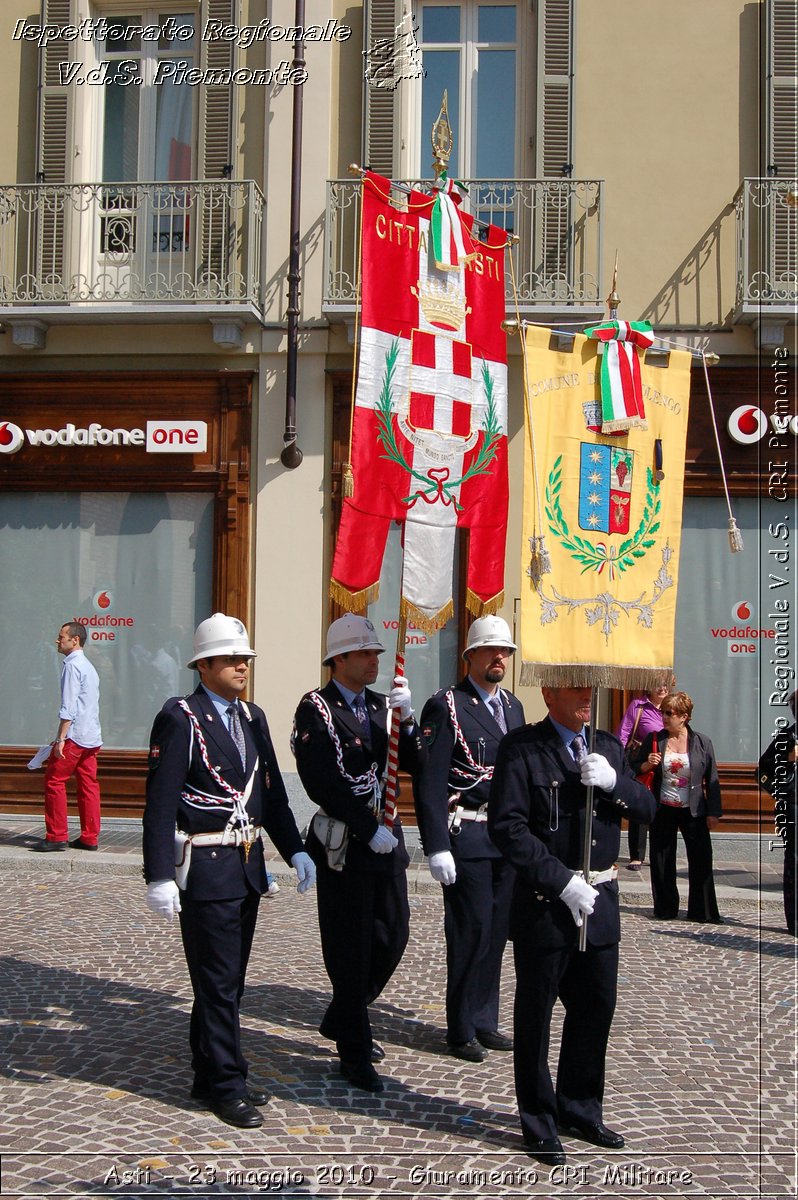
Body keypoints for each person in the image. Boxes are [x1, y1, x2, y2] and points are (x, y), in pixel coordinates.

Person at [142, 613, 315, 1130]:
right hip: (207, 867)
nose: (243, 666)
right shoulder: (181, 717)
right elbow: (161, 801)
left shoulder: (252, 717)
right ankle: (227, 1082)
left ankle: (208, 1070)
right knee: (218, 983)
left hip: (247, 867)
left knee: (228, 981)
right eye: (234, 659)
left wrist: (295, 849)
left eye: (246, 659)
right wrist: (157, 874)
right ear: (205, 664)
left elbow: (272, 797)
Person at [488, 685, 655, 1166]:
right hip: (548, 901)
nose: (587, 697)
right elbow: (509, 827)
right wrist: (561, 881)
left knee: (596, 1007)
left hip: (600, 898)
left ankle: (580, 1107)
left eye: (589, 687)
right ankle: (538, 1120)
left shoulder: (607, 746)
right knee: (536, 1015)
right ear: (549, 692)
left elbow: (645, 809)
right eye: (575, 688)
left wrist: (614, 785)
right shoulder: (522, 747)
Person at [292, 614, 426, 1093]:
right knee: (349, 949)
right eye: (366, 653)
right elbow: (322, 780)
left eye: (377, 654)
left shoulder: (382, 707)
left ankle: (342, 1014)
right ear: (340, 659)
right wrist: (367, 827)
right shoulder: (317, 709)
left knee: (393, 935)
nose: (375, 661)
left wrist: (407, 723)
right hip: (346, 846)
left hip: (385, 843)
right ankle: (353, 1050)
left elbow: (418, 765)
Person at [414, 614, 525, 1062]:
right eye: (492, 650)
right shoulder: (447, 705)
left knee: (497, 933)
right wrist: (436, 844)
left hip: (505, 837)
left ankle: (485, 1019)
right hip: (468, 833)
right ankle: (460, 1027)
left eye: (506, 652)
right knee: (470, 931)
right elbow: (429, 780)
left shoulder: (514, 707)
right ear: (471, 655)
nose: (500, 657)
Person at [632, 690, 722, 922]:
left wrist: (713, 812)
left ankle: (702, 911)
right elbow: (631, 768)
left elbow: (712, 779)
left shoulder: (702, 742)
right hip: (663, 806)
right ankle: (665, 908)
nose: (664, 717)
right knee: (662, 858)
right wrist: (645, 764)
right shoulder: (655, 739)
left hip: (693, 808)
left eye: (669, 713)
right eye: (663, 712)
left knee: (701, 858)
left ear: (684, 716)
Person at [32, 621, 102, 852]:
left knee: (54, 781)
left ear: (75, 640)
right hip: (91, 735)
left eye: (61, 636)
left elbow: (69, 705)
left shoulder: (72, 666)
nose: (57, 640)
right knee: (88, 785)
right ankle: (90, 837)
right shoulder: (89, 666)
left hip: (75, 736)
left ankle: (56, 835)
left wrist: (61, 737)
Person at [615, 676, 674, 870]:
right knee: (639, 807)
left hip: (667, 765)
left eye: (665, 685)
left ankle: (660, 853)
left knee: (663, 809)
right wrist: (618, 759)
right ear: (649, 687)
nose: (662, 688)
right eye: (658, 685)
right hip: (643, 763)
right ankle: (637, 855)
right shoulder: (639, 706)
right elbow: (623, 733)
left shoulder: (673, 707)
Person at [758, 689, 797, 936]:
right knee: (795, 861)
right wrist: (788, 760)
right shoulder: (787, 737)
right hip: (793, 808)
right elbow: (761, 772)